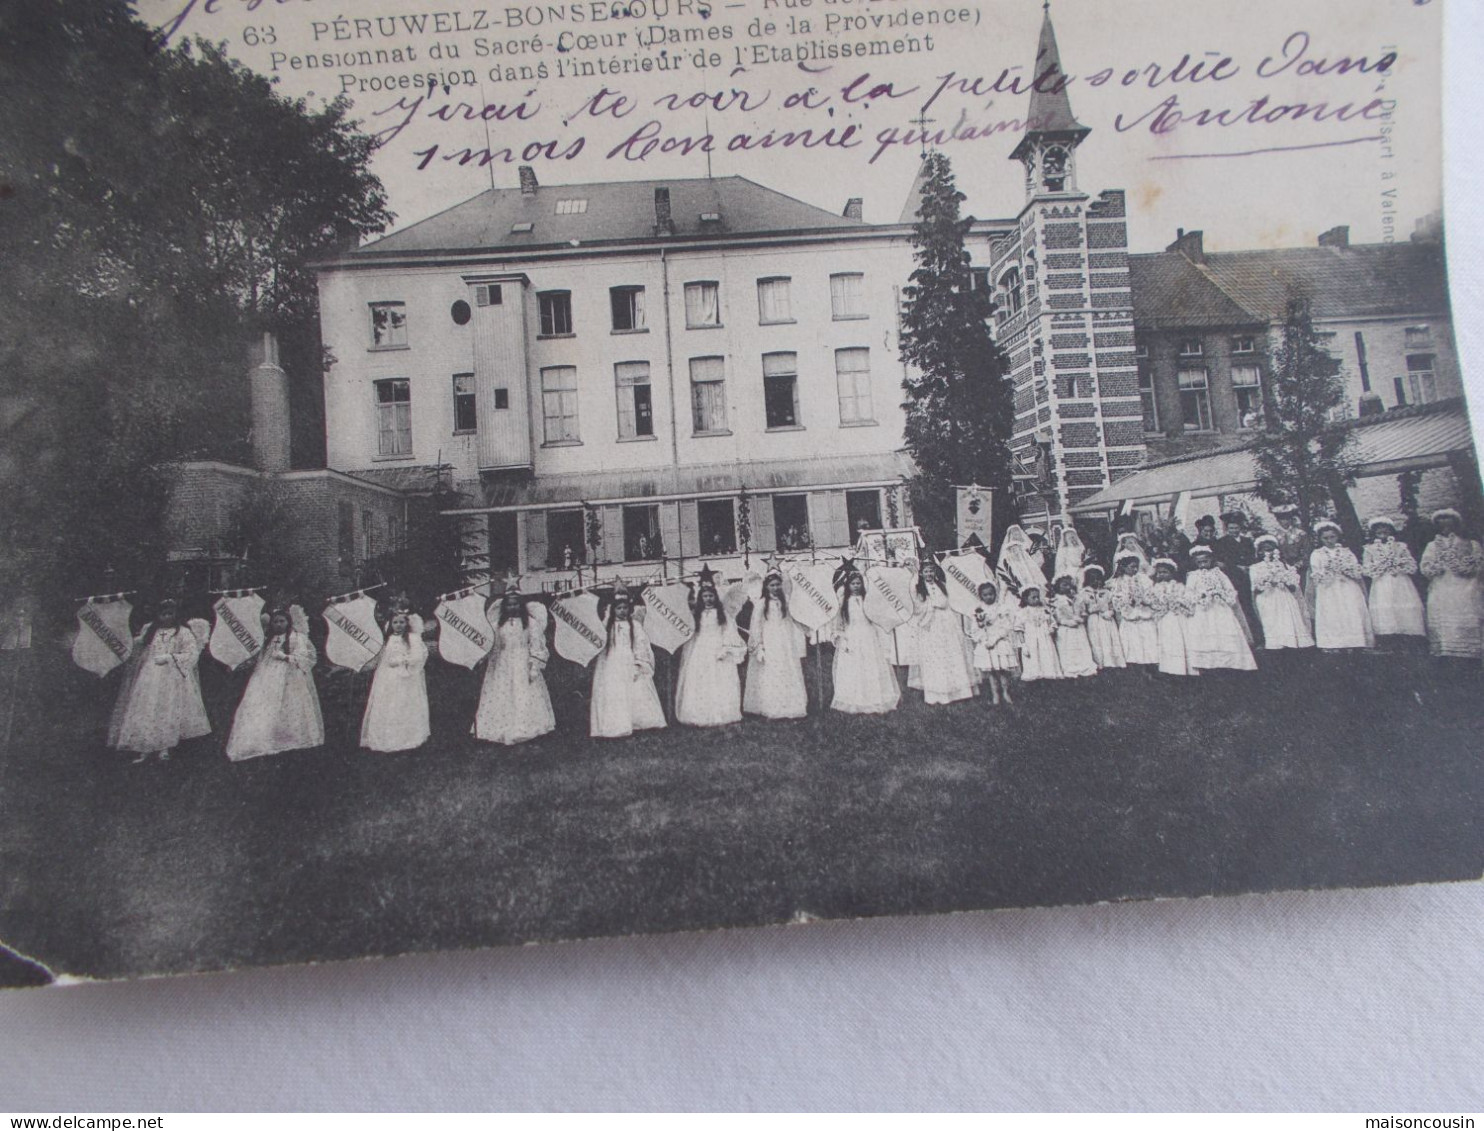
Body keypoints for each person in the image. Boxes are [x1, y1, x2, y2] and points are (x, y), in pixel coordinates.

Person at [107, 598, 210, 763]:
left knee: (166, 709)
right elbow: (137, 646)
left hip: (172, 677)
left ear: (176, 615)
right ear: (158, 615)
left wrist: (170, 657)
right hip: (150, 676)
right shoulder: (150, 631)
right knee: (146, 708)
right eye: (163, 614)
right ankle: (144, 748)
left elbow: (191, 655)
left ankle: (164, 747)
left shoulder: (183, 632)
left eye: (170, 613)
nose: (166, 617)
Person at [226, 605, 324, 761]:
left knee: (290, 705)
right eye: (275, 622)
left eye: (282, 621)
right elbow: (260, 659)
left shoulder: (297, 638)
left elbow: (305, 658)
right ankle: (265, 737)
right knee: (264, 705)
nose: (279, 624)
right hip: (267, 677)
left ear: (288, 621)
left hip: (290, 677)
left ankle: (290, 737)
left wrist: (285, 657)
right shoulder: (268, 640)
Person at [473, 588, 556, 746]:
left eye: (516, 604)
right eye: (509, 605)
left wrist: (534, 665)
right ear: (504, 606)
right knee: (501, 691)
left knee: (523, 690)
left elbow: (536, 644)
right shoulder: (497, 625)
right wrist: (483, 657)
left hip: (522, 661)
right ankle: (500, 725)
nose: (513, 608)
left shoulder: (530, 624)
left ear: (521, 605)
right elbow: (492, 645)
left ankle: (525, 726)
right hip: (502, 662)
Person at [590, 585, 667, 739]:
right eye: (619, 608)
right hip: (612, 662)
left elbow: (641, 643)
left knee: (636, 689)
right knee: (615, 691)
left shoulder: (635, 626)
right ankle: (616, 723)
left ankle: (638, 721)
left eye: (625, 608)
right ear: (613, 610)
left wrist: (639, 662)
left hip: (629, 660)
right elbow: (599, 640)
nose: (622, 611)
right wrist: (606, 619)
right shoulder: (608, 627)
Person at [675, 576, 747, 727]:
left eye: (711, 596)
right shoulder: (697, 615)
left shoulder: (722, 615)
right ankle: (699, 712)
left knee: (719, 678)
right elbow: (692, 633)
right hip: (700, 648)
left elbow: (729, 631)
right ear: (700, 597)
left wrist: (726, 648)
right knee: (700, 678)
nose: (708, 599)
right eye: (705, 596)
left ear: (716, 596)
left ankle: (721, 711)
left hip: (717, 646)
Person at [828, 568, 901, 714]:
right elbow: (839, 622)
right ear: (848, 585)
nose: (856, 586)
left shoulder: (868, 600)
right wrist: (840, 636)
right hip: (852, 634)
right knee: (853, 665)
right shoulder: (844, 602)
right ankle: (854, 698)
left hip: (868, 634)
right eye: (853, 583)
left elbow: (876, 616)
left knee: (871, 663)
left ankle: (873, 696)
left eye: (858, 583)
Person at [742, 567, 808, 720]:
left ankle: (790, 702)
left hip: (784, 639)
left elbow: (795, 618)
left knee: (787, 666)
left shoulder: (785, 600)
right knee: (771, 668)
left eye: (778, 584)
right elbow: (756, 626)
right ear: (766, 586)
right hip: (770, 638)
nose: (775, 588)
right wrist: (758, 645)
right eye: (772, 585)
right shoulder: (762, 603)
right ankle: (770, 703)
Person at [360, 608, 430, 752]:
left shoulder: (413, 638)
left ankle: (407, 737)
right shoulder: (388, 639)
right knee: (388, 704)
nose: (398, 625)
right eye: (395, 622)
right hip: (388, 677)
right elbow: (382, 658)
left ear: (407, 623)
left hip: (406, 677)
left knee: (404, 704)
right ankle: (386, 737)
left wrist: (403, 660)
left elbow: (418, 657)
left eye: (401, 622)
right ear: (390, 624)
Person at [907, 559, 977, 704]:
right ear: (922, 573)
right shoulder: (920, 588)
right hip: (931, 623)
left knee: (951, 651)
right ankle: (937, 692)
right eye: (926, 571)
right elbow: (916, 604)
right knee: (935, 655)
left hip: (946, 622)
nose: (929, 574)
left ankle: (958, 690)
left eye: (931, 571)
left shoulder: (941, 585)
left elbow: (949, 601)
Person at [1418, 508, 1484, 659]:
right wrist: (1435, 567)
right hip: (1442, 583)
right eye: (1442, 527)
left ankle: (1469, 648)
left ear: (1456, 526)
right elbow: (1425, 566)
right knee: (1444, 610)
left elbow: (1479, 563)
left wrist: (1468, 568)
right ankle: (1446, 648)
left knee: (1465, 609)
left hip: (1465, 584)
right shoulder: (1432, 546)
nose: (1446, 530)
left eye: (1450, 526)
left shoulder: (1470, 544)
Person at [1183, 544, 1258, 672]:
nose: (1202, 565)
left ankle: (1229, 661)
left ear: (1211, 560)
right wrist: (1201, 596)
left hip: (1220, 607)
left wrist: (1221, 594)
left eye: (1205, 561)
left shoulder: (1219, 574)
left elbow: (1230, 590)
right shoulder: (1193, 576)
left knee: (1224, 630)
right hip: (1203, 609)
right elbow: (1189, 594)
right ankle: (1207, 661)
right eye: (1199, 562)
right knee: (1205, 632)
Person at [1309, 521, 1374, 651]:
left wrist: (1347, 569)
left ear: (1337, 536)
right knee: (1333, 613)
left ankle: (1355, 640)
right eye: (1325, 538)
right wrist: (1328, 571)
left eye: (1332, 537)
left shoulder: (1346, 552)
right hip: (1329, 588)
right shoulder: (1317, 554)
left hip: (1347, 585)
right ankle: (1334, 643)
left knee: (1350, 610)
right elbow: (1316, 573)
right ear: (1320, 539)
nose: (1329, 541)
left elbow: (1356, 569)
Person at [1361, 516, 1426, 643]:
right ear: (1374, 533)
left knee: (1402, 605)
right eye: (1378, 531)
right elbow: (1366, 568)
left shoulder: (1400, 546)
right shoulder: (1370, 549)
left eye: (1385, 530)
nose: (1382, 533)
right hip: (1381, 582)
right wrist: (1380, 566)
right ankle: (1389, 639)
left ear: (1391, 531)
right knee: (1386, 607)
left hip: (1400, 581)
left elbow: (1411, 565)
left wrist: (1399, 563)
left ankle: (1408, 636)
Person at [1250, 535, 1315, 650]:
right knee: (1272, 624)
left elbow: (1293, 587)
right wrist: (1268, 579)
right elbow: (1256, 589)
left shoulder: (1284, 566)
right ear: (1260, 552)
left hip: (1284, 598)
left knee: (1287, 622)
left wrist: (1284, 579)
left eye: (1272, 549)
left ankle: (1290, 645)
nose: (1269, 552)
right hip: (1267, 599)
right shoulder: (1256, 567)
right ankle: (1275, 648)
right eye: (1266, 549)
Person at [968, 580, 1017, 705]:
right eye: (985, 595)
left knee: (1002, 670)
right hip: (986, 642)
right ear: (981, 596)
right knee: (991, 672)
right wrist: (984, 639)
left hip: (999, 641)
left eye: (991, 594)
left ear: (995, 594)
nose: (989, 597)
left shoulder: (1001, 608)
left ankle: (1006, 692)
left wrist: (995, 639)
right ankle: (995, 694)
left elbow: (1006, 626)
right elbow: (975, 629)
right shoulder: (978, 610)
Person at [1109, 552, 1160, 666]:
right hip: (1130, 613)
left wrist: (1145, 600)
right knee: (1132, 640)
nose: (1135, 569)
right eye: (1132, 567)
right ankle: (1134, 663)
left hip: (1143, 611)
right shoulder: (1119, 581)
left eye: (1136, 566)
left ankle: (1149, 661)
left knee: (1147, 636)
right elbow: (1116, 598)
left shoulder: (1143, 578)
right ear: (1123, 567)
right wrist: (1127, 600)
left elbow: (1150, 593)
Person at [1150, 558, 1195, 676]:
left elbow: (1187, 599)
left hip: (1178, 617)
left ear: (1172, 573)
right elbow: (1152, 602)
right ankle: (1168, 667)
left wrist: (1177, 601)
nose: (1161, 575)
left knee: (1179, 639)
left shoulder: (1179, 586)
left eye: (1165, 572)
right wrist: (1162, 604)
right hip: (1164, 618)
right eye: (1159, 573)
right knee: (1166, 641)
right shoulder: (1154, 588)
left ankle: (1183, 667)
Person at [1076, 565, 1126, 670]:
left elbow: (1113, 605)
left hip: (1107, 620)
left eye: (1098, 579)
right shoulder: (1083, 593)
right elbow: (1080, 609)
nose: (1096, 581)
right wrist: (1088, 612)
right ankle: (1099, 663)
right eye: (1092, 579)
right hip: (1093, 621)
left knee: (1109, 640)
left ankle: (1112, 662)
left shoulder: (1107, 592)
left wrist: (1110, 612)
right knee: (1096, 641)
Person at [1049, 573, 1097, 678]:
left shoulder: (1077, 598)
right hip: (1066, 629)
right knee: (1068, 649)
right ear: (1057, 587)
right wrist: (1067, 622)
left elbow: (1083, 611)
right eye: (1064, 585)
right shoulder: (1056, 601)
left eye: (1069, 585)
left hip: (1078, 628)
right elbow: (1056, 616)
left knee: (1081, 647)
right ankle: (1070, 670)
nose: (1068, 587)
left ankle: (1084, 667)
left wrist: (1081, 617)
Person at [1013, 585, 1063, 682]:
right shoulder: (1022, 613)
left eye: (1038, 597)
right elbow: (1019, 630)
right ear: (1025, 599)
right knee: (1033, 661)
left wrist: (1051, 629)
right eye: (1033, 597)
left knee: (1047, 659)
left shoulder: (1044, 610)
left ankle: (1048, 679)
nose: (1036, 599)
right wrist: (1023, 645)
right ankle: (1036, 682)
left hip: (1045, 639)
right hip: (1031, 641)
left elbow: (1052, 622)